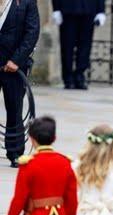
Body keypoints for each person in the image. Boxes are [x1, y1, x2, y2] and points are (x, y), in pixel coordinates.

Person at [0, 0, 40, 167]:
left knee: (14, 108)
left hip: (14, 66)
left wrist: (16, 60)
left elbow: (32, 32)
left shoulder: (26, 2)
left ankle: (15, 152)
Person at [51, 0, 106, 89]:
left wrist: (101, 11)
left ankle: (80, 76)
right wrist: (56, 9)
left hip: (89, 8)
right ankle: (68, 77)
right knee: (67, 46)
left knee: (85, 46)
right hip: (68, 9)